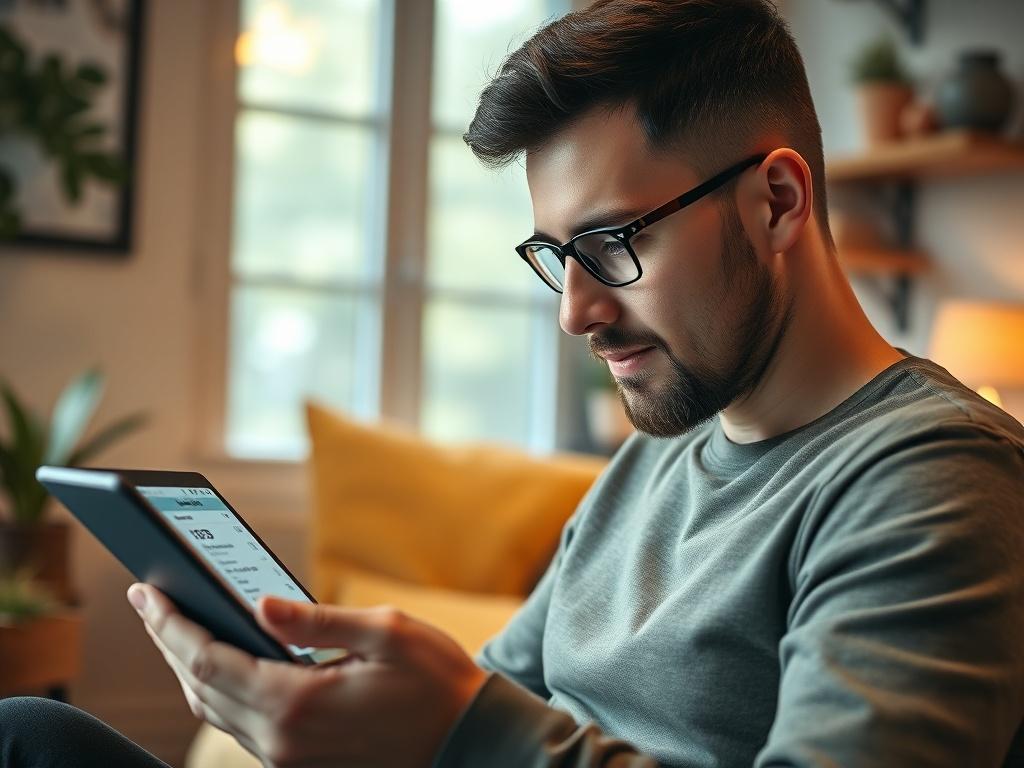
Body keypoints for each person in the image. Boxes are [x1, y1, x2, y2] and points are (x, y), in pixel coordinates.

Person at [3, 0, 1024, 766]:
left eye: (614, 243)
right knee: (32, 735)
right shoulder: (654, 459)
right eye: (555, 256)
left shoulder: (930, 481)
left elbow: (482, 726)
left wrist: (462, 727)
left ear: (777, 201)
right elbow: (502, 695)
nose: (575, 312)